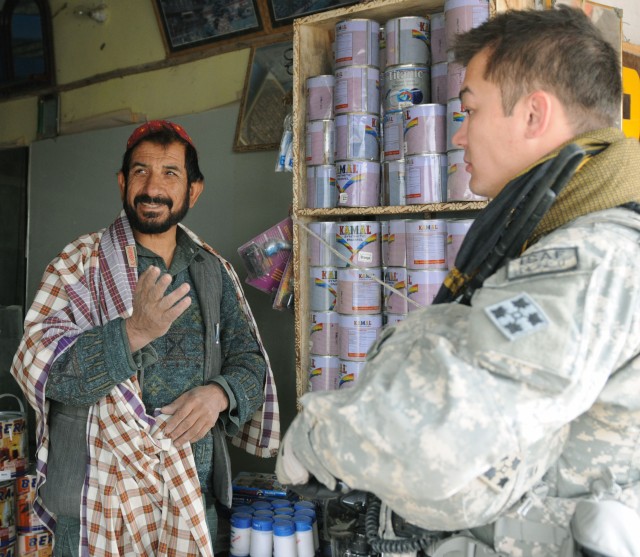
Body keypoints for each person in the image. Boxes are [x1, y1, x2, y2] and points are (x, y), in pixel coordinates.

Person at [276, 6, 640, 556]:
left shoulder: (595, 258)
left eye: (469, 111)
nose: (459, 133)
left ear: (534, 115)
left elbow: (442, 439)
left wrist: (320, 438)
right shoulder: (576, 235)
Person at [11, 120, 280, 556]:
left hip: (194, 499)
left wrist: (220, 394)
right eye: (140, 171)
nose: (152, 186)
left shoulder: (213, 272)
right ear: (122, 182)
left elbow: (250, 361)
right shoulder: (77, 264)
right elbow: (41, 370)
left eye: (170, 173)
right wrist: (132, 333)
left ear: (194, 190)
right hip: (94, 506)